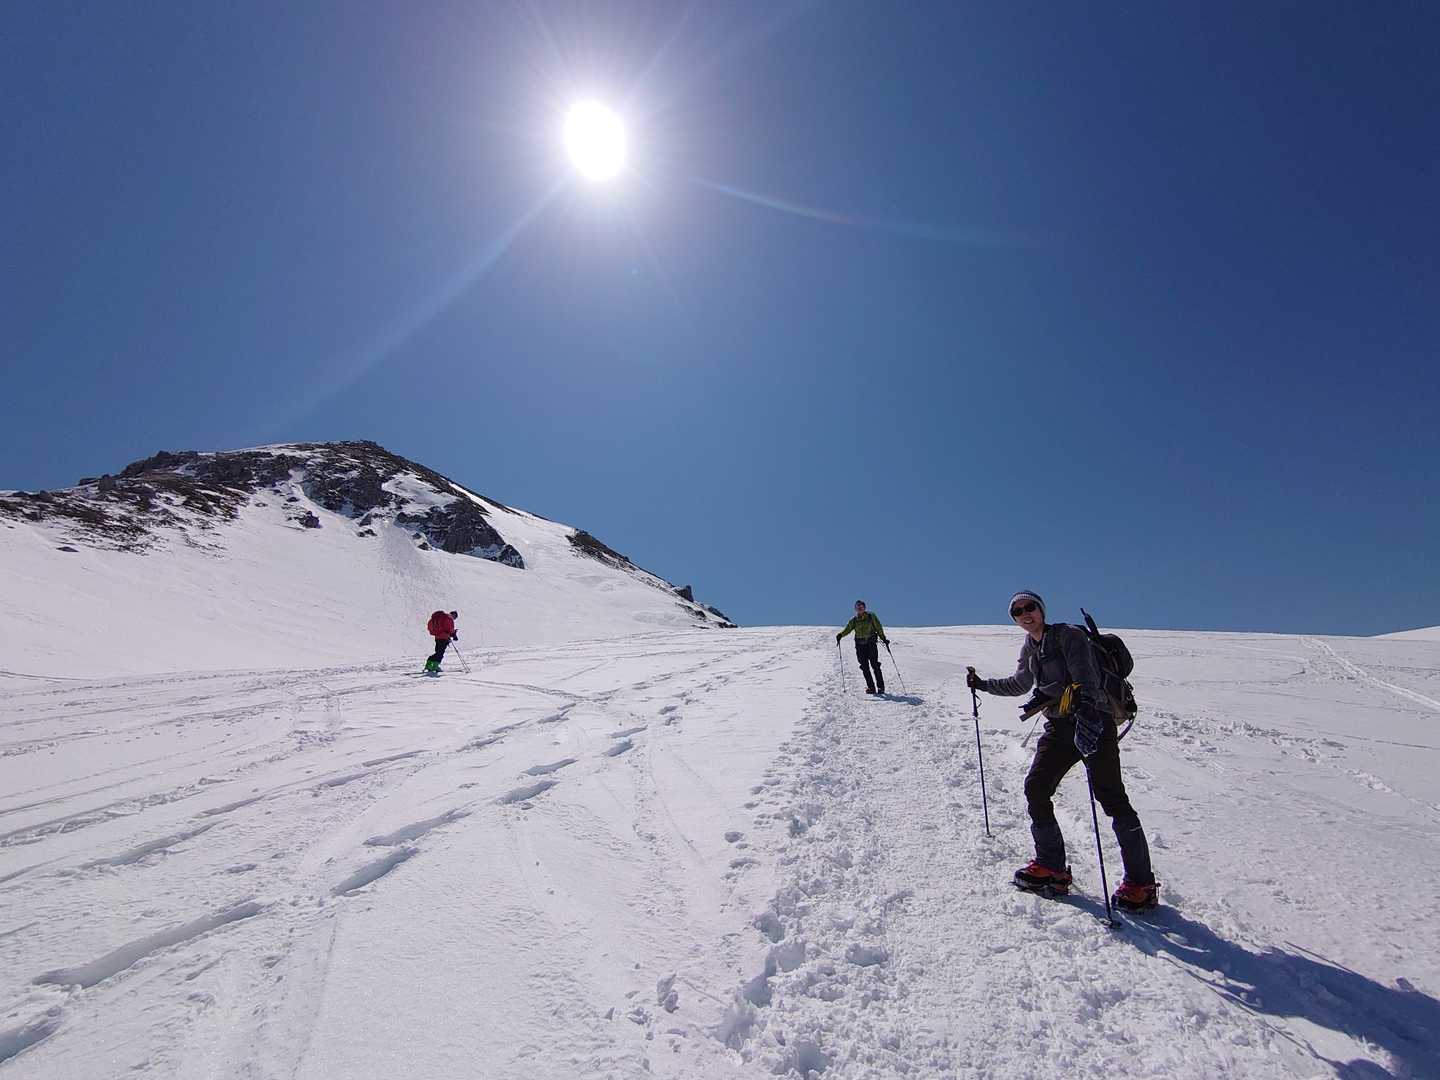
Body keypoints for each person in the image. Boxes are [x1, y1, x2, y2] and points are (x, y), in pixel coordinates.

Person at [967, 590, 1158, 911]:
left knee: (1111, 797)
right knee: (1036, 787)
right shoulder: (1030, 646)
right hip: (1058, 727)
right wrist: (983, 684)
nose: (1025, 614)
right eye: (1017, 611)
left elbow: (1087, 677)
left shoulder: (1068, 635)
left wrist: (1088, 713)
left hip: (1093, 720)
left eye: (1030, 607)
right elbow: (1020, 684)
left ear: (1041, 610)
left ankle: (1141, 883)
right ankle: (1051, 866)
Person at [836, 599, 890, 695]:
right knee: (864, 667)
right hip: (860, 646)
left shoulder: (871, 616)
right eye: (858, 607)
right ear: (855, 609)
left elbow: (878, 627)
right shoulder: (854, 620)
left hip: (871, 644)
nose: (860, 608)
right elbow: (848, 629)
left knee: (875, 665)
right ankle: (871, 687)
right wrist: (841, 635)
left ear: (865, 608)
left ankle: (881, 687)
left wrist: (883, 638)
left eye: (861, 607)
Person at [424, 610, 459, 674]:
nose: (454, 619)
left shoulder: (439, 617)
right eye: (455, 617)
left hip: (437, 637)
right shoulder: (449, 618)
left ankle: (429, 665)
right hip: (444, 638)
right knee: (440, 653)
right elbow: (450, 629)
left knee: (438, 652)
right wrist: (454, 634)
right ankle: (435, 667)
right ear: (453, 615)